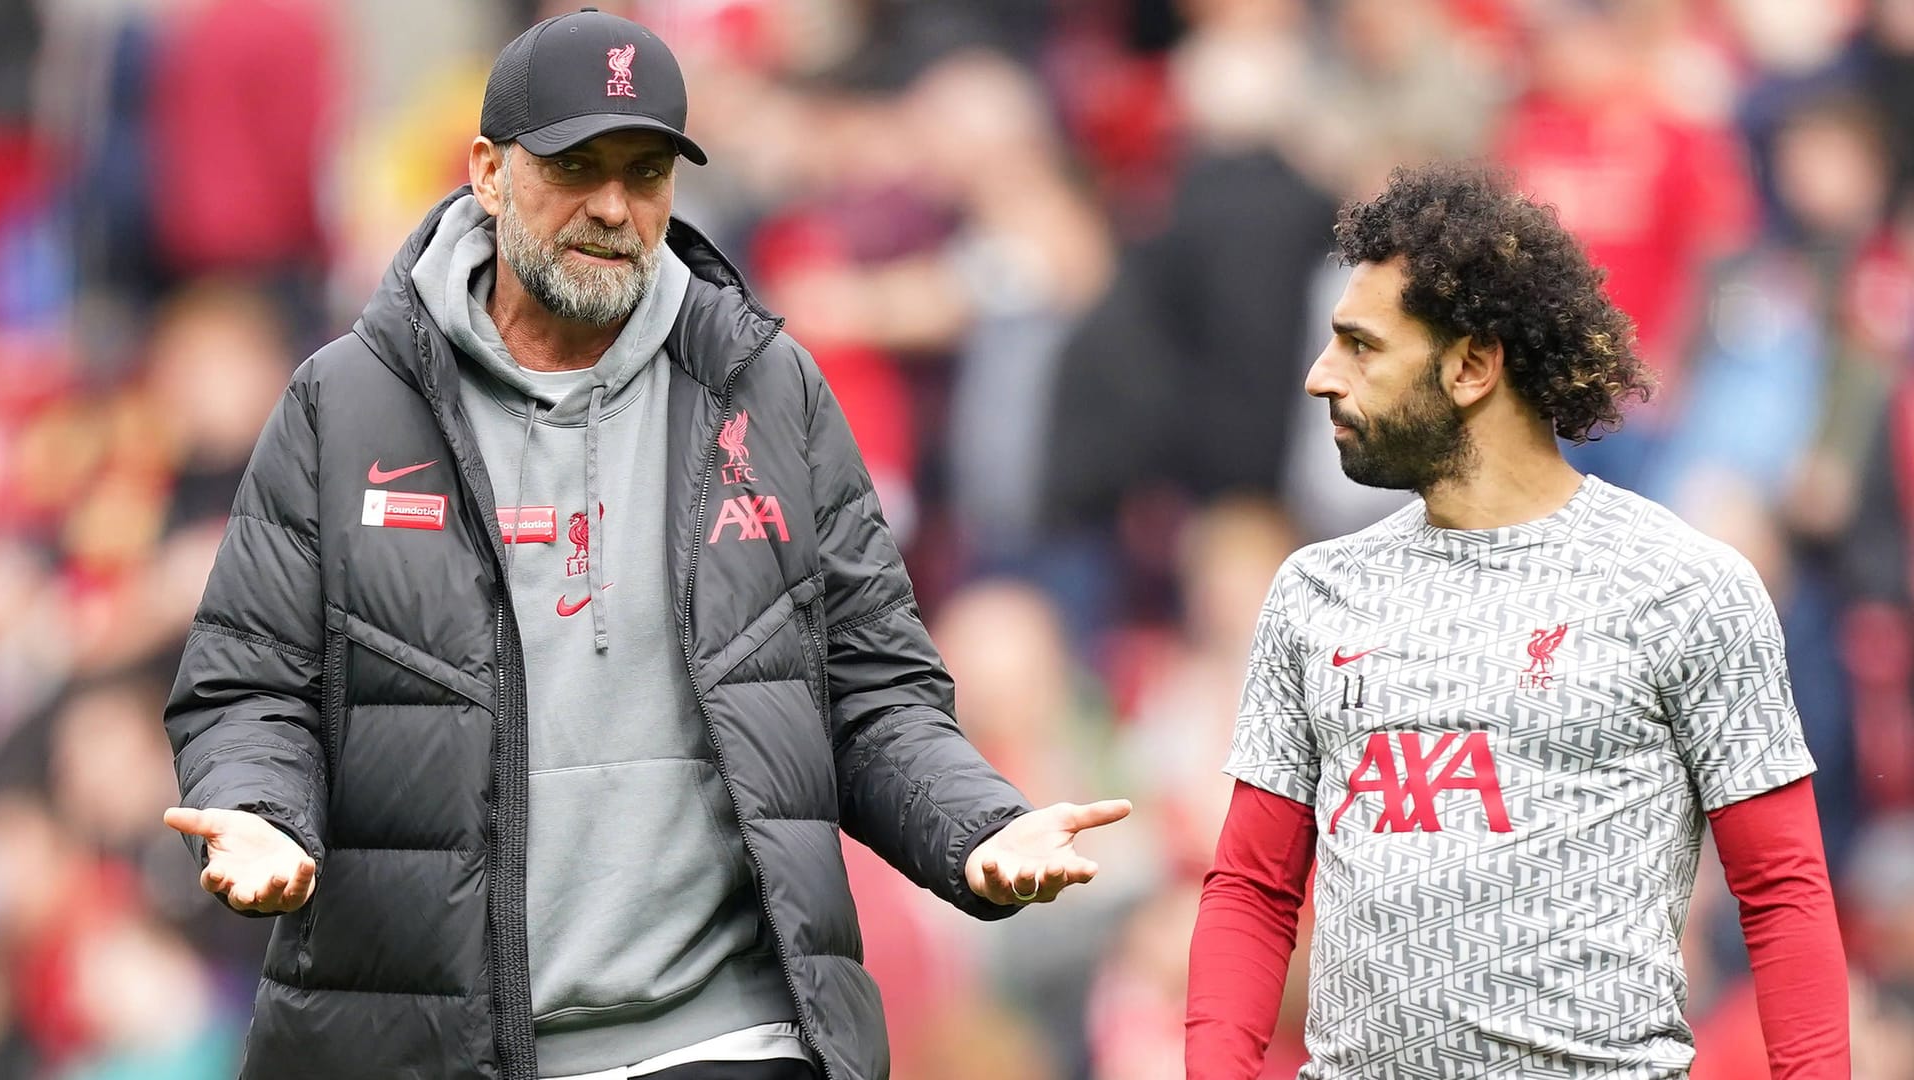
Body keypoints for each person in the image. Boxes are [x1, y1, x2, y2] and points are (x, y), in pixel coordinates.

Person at [159, 11, 1129, 1080]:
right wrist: (259, 812)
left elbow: (871, 687)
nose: (614, 207)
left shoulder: (768, 389)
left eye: (646, 170)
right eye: (576, 168)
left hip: (727, 1036)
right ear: (487, 172)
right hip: (437, 1045)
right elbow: (250, 682)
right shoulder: (346, 404)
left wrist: (974, 826)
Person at [1183, 163, 1849, 1079]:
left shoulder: (1682, 586)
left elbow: (1782, 894)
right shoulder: (1313, 592)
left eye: (1360, 346)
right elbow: (1253, 888)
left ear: (1471, 366)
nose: (1318, 377)